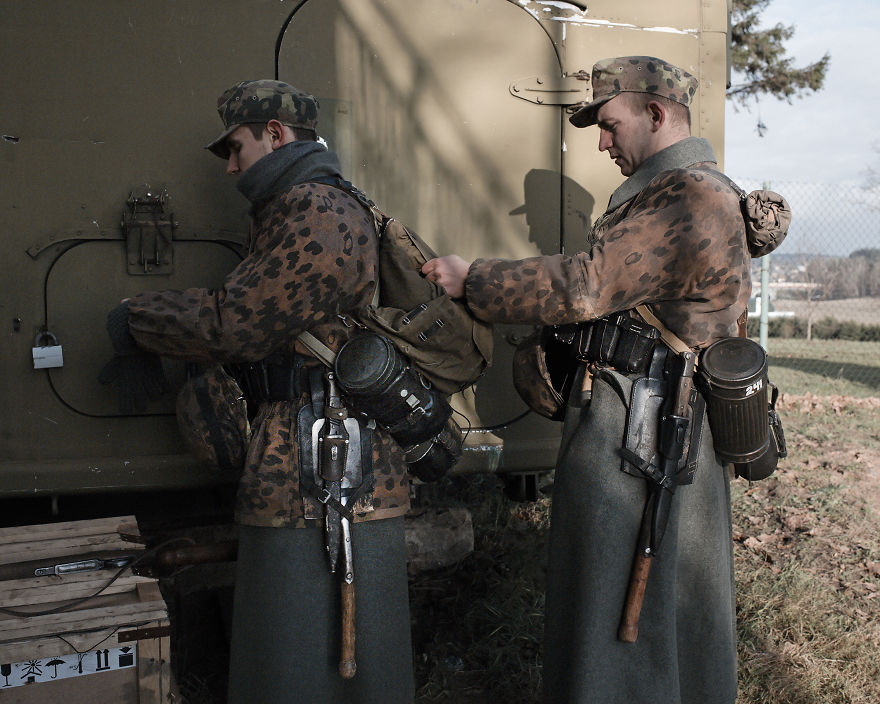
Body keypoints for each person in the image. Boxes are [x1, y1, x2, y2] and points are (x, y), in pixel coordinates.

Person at [423, 56, 744, 703]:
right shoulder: (684, 191)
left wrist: (473, 279)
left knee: (624, 613)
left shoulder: (686, 195)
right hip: (655, 426)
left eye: (609, 122)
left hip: (644, 434)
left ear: (657, 114)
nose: (600, 141)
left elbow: (585, 284)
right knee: (644, 613)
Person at [99, 80, 415, 703]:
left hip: (323, 461)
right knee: (290, 632)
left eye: (236, 146)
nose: (230, 163)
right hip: (304, 454)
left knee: (300, 634)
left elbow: (236, 323)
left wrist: (138, 318)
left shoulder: (316, 212)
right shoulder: (294, 207)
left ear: (275, 134)